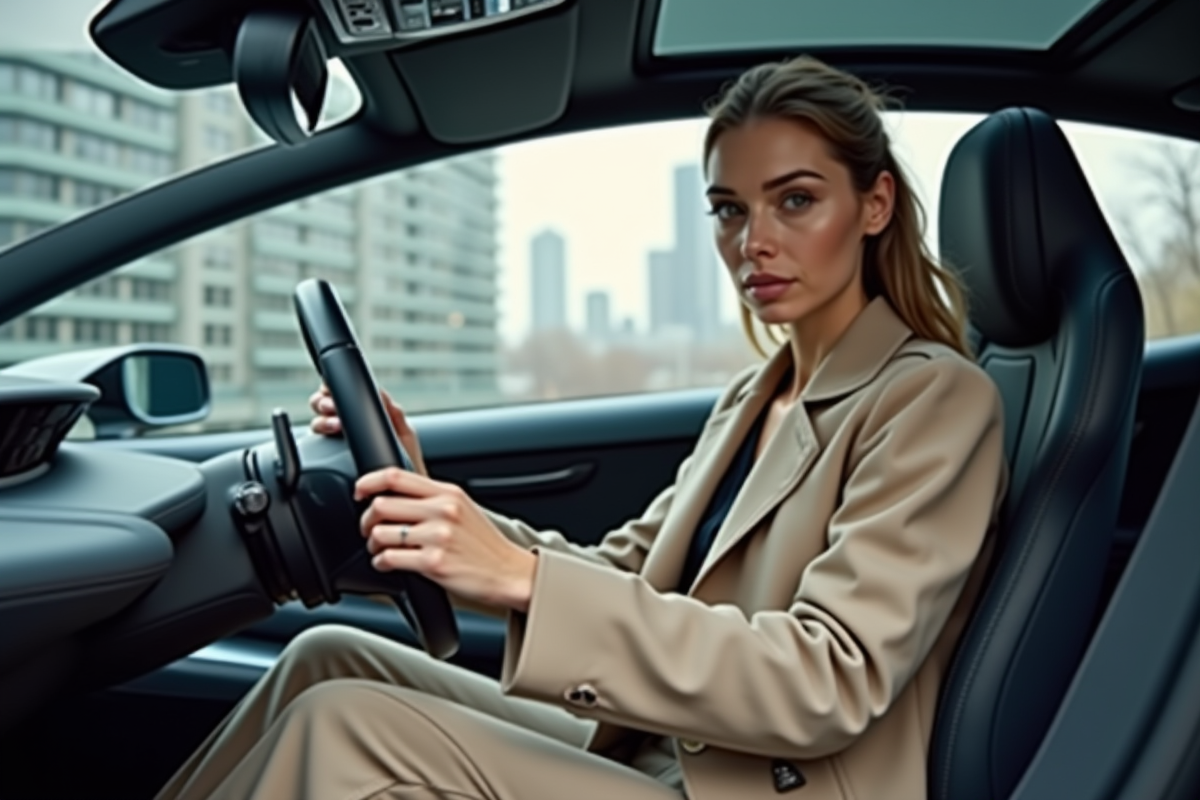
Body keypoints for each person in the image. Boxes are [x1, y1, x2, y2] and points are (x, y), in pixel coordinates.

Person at [155, 55, 1006, 800]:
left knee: (349, 725)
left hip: (762, 785)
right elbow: (627, 574)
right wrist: (442, 508)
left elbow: (828, 679)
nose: (755, 242)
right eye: (728, 210)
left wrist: (521, 577)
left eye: (795, 201)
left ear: (874, 205)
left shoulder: (934, 400)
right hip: (673, 751)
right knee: (326, 657)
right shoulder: (757, 395)